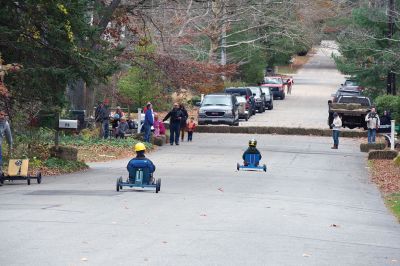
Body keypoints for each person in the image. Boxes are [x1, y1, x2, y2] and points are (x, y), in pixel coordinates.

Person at [0, 111, 12, 179]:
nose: (2, 117)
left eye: (3, 115)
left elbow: (9, 137)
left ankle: (0, 174)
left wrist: (10, 147)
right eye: (1, 115)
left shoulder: (5, 124)